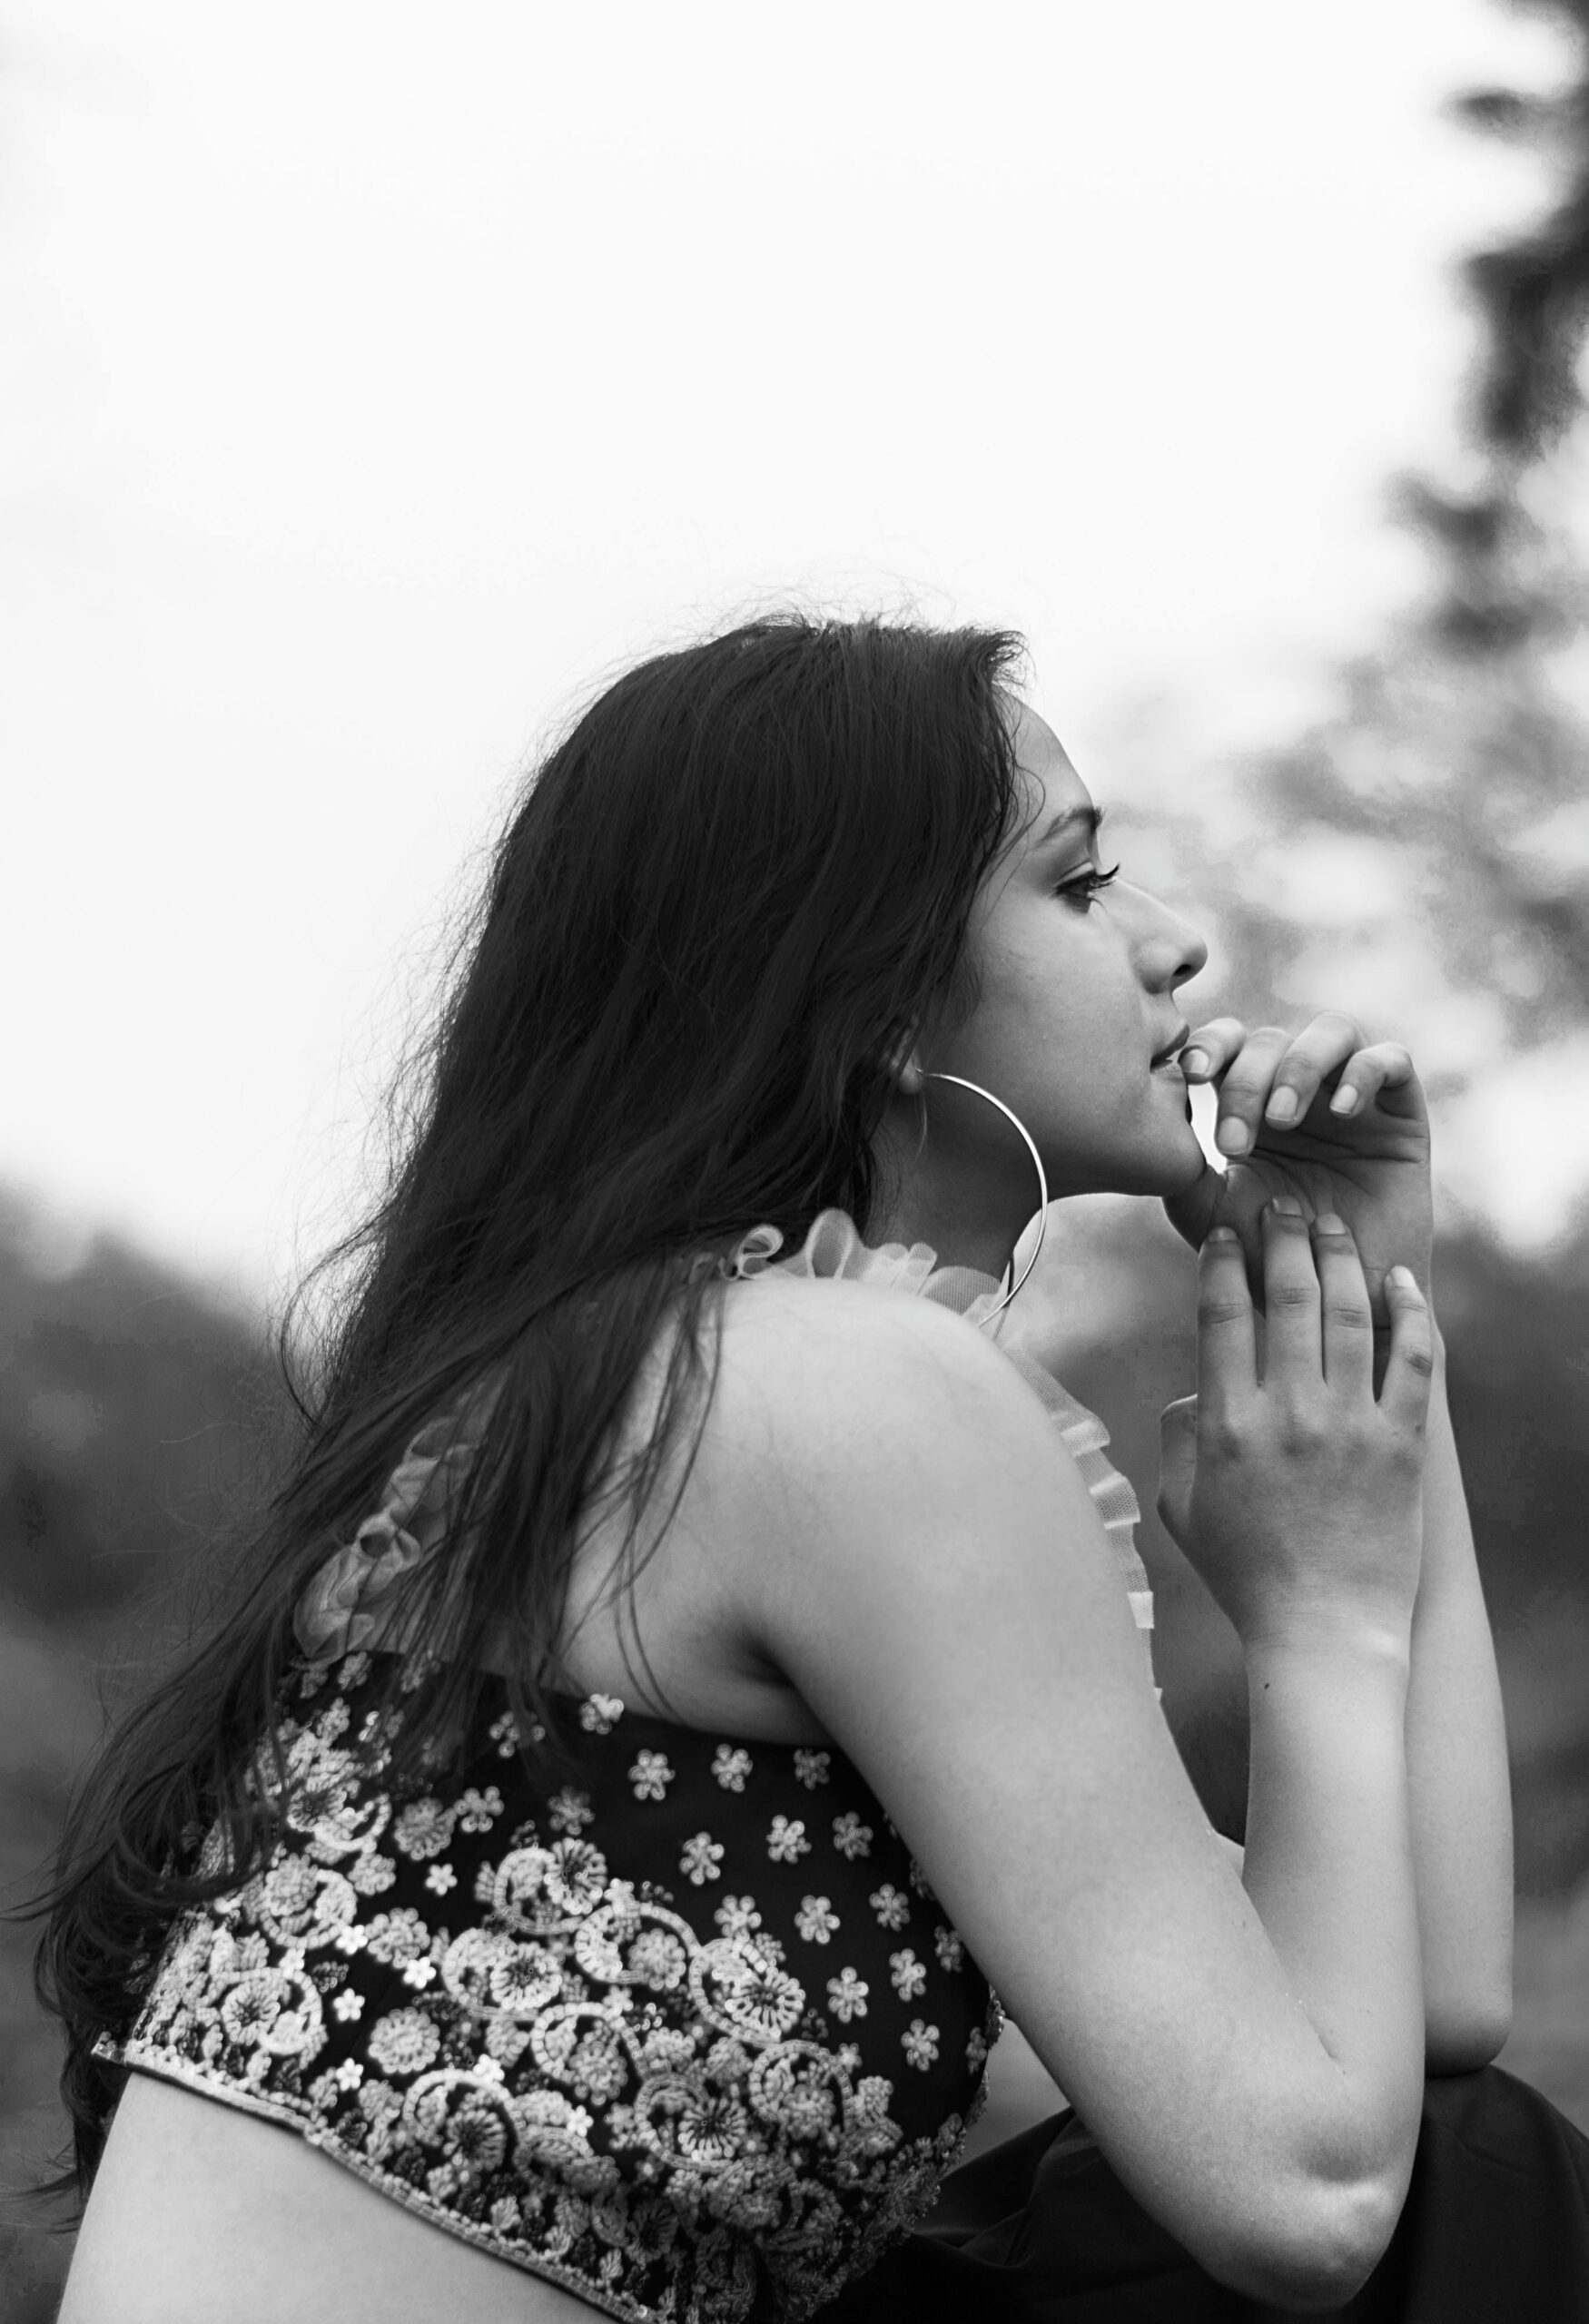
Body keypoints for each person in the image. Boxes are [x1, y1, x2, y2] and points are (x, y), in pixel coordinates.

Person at [38, 617, 1588, 2322]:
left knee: (1479, 2168)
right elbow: (1306, 2193)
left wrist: (1365, 1291)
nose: (1177, 946)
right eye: (1082, 889)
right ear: (874, 998)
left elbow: (1414, 2027)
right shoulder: (827, 1393)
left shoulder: (654, 1369)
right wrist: (1319, 1619)